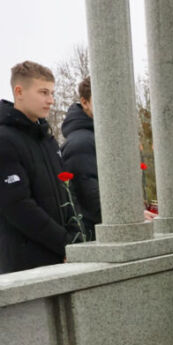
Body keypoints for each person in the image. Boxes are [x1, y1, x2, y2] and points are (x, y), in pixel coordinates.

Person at [0, 61, 81, 274]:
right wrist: (63, 243)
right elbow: (17, 205)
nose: (51, 100)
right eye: (43, 92)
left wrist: (76, 238)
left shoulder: (47, 140)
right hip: (26, 266)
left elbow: (67, 192)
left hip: (61, 258)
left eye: (52, 93)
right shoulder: (4, 139)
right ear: (19, 92)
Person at [61, 76, 98, 239]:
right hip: (95, 234)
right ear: (85, 102)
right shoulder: (81, 143)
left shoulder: (97, 137)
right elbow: (89, 195)